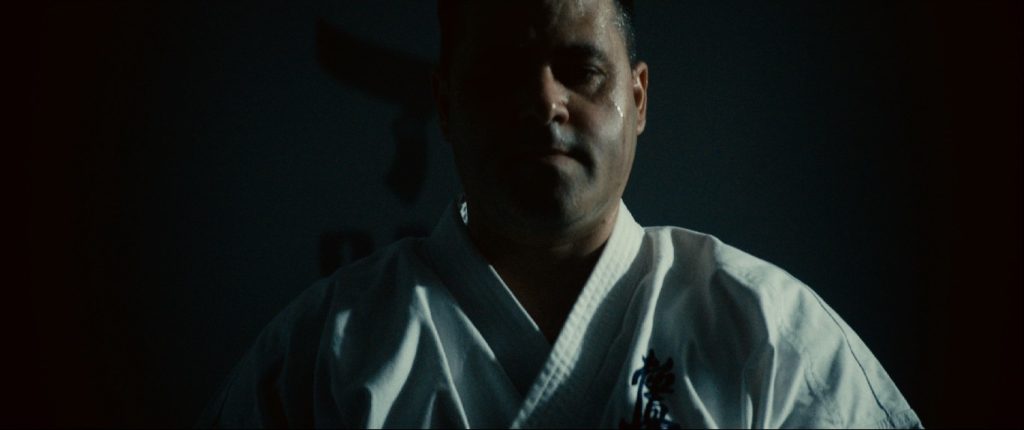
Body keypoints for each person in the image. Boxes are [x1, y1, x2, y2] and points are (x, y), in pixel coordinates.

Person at [200, 1, 922, 428]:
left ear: (637, 97)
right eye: (500, 75)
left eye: (581, 71)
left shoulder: (769, 334)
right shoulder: (325, 352)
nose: (544, 102)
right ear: (445, 105)